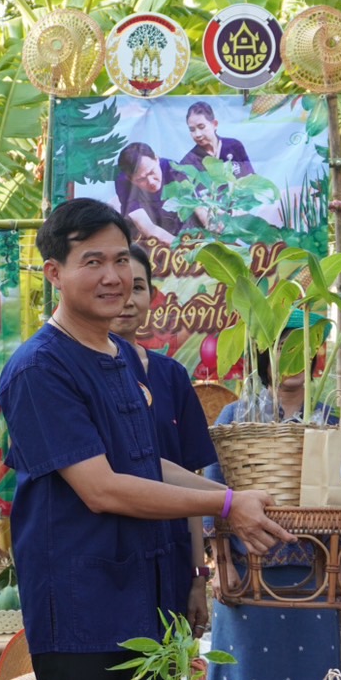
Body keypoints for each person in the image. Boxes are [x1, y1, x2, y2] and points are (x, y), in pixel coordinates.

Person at [0, 199, 290, 680]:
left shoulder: (120, 357)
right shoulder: (40, 368)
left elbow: (147, 464)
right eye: (91, 261)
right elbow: (102, 488)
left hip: (140, 600)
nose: (114, 276)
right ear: (54, 272)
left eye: (120, 261)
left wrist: (231, 495)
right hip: (81, 607)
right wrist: (225, 507)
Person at [204, 313, 341, 680]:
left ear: (317, 353)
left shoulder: (329, 422)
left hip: (315, 578)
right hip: (247, 578)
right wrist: (221, 565)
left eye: (302, 345)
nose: (292, 356)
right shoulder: (236, 418)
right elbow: (213, 495)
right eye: (281, 346)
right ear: (263, 355)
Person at [110, 244, 217, 631]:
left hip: (170, 563)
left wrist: (197, 576)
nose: (126, 299)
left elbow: (189, 484)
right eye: (117, 287)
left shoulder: (171, 376)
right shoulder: (70, 374)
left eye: (137, 287)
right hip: (108, 564)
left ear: (151, 297)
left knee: (168, 678)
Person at [115, 141, 187, 244]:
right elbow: (146, 227)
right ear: (130, 179)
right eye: (141, 179)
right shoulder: (123, 182)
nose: (151, 182)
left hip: (180, 230)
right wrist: (182, 248)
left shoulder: (174, 169)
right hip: (148, 237)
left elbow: (198, 207)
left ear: (157, 159)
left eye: (152, 172)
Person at [178, 101, 254, 178]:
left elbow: (251, 178)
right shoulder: (188, 162)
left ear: (214, 124)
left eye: (201, 127)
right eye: (192, 130)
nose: (197, 134)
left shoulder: (234, 146)